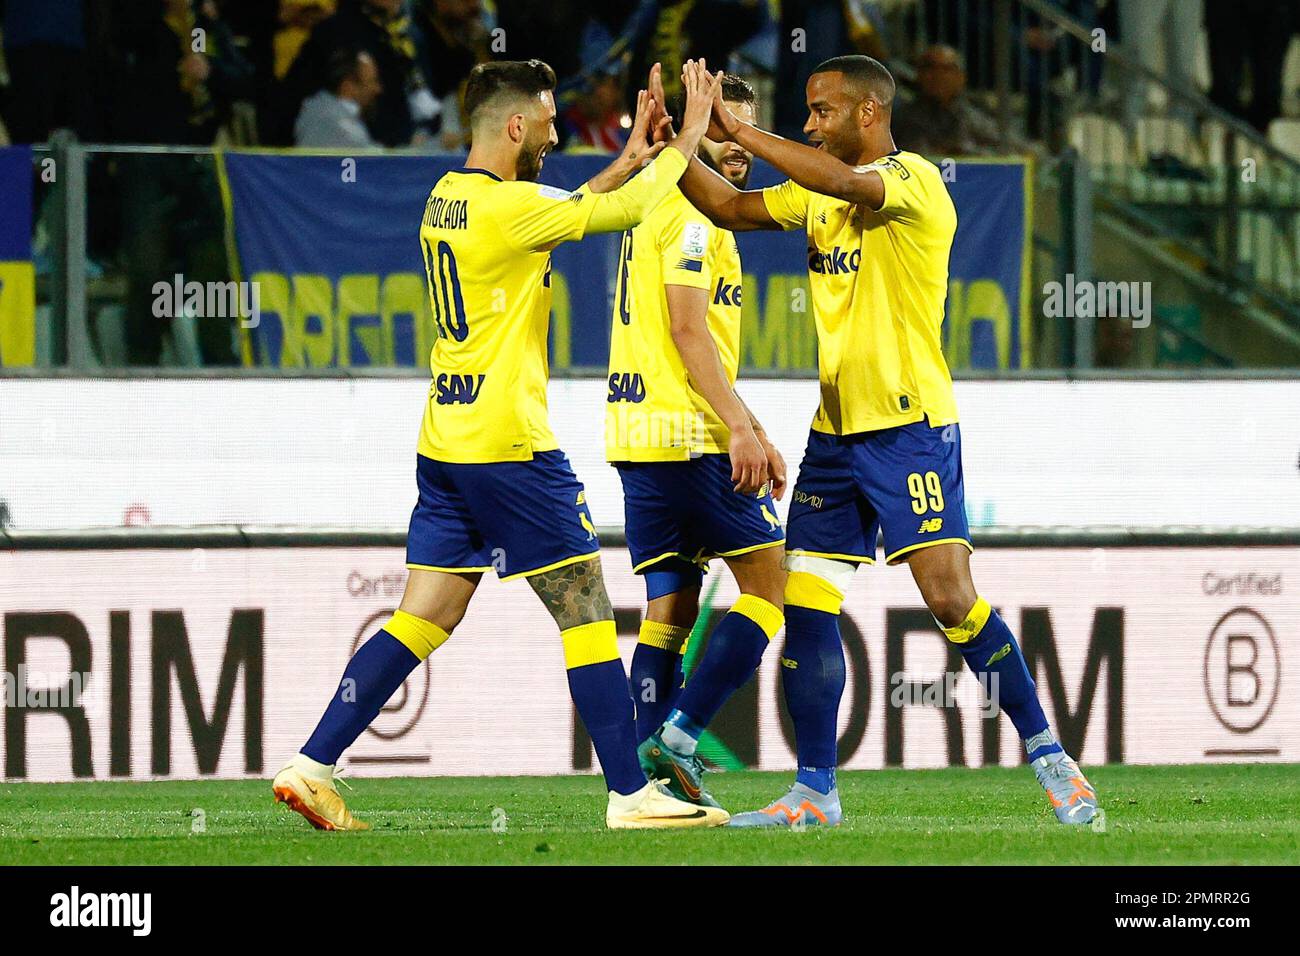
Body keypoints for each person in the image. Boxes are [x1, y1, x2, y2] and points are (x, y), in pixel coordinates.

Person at [272, 59, 733, 831]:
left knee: (425, 614)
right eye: (550, 124)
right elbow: (619, 216)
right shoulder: (507, 208)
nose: (555, 135)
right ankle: (630, 793)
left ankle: (312, 766)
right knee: (584, 602)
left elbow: (557, 210)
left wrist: (623, 163)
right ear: (515, 126)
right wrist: (689, 134)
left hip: (446, 440)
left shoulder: (450, 198)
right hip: (509, 446)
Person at [671, 55, 1101, 827]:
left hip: (909, 429)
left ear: (868, 114)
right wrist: (673, 148)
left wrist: (744, 128)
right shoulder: (817, 190)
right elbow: (730, 207)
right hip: (835, 436)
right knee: (805, 603)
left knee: (948, 597)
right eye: (805, 112)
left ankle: (1050, 757)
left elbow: (844, 184)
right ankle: (814, 792)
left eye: (821, 111)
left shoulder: (915, 183)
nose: (810, 124)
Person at [604, 69, 787, 808]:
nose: (735, 147)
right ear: (691, 126)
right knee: (774, 586)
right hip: (686, 438)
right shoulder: (688, 210)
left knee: (669, 613)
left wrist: (752, 424)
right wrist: (736, 428)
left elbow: (696, 338)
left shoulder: (658, 198)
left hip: (638, 436)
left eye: (744, 129)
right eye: (718, 126)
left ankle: (652, 789)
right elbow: (686, 332)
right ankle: (679, 739)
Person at [891, 45, 999, 157]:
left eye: (947, 69)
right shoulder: (901, 119)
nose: (938, 75)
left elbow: (1011, 149)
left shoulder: (976, 117)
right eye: (930, 67)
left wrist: (968, 153)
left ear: (961, 77)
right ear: (919, 74)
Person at [294, 48, 383, 147]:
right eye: (371, 81)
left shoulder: (316, 108)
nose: (378, 89)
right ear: (347, 87)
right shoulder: (335, 126)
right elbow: (368, 156)